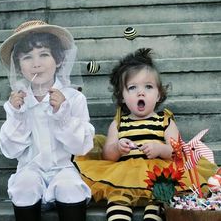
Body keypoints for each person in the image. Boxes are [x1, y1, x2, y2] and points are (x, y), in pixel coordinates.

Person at [75, 48, 218, 221]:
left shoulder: (164, 120)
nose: (140, 92)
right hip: (124, 175)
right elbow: (107, 155)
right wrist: (118, 148)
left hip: (160, 175)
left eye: (148, 87)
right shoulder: (119, 123)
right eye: (132, 88)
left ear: (158, 95)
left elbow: (178, 152)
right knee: (118, 200)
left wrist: (160, 149)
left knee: (161, 199)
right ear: (122, 97)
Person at [0, 20, 95, 221]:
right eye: (27, 57)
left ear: (58, 60)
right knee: (24, 186)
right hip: (29, 168)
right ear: (19, 66)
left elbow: (81, 146)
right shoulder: (18, 103)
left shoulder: (74, 98)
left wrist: (62, 114)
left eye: (44, 54)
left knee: (71, 187)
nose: (36, 63)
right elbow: (11, 150)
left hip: (62, 167)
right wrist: (17, 115)